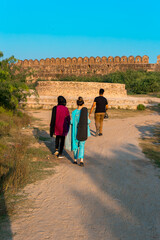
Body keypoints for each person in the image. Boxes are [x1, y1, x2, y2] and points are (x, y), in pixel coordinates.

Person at [71, 97, 90, 166]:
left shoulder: (74, 112)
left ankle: (75, 159)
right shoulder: (85, 112)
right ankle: (81, 160)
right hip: (83, 131)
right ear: (83, 103)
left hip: (75, 131)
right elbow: (88, 121)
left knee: (75, 145)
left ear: (77, 103)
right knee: (82, 145)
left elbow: (71, 122)